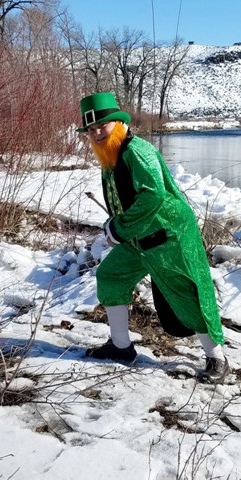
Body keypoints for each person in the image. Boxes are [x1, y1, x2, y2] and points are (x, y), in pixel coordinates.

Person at [77, 92, 229, 384]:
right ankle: (121, 348)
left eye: (102, 126)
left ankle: (217, 359)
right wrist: (117, 225)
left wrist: (119, 229)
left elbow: (153, 195)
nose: (97, 133)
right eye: (91, 129)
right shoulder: (111, 155)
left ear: (117, 123)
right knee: (111, 276)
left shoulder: (137, 150)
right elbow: (122, 199)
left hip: (169, 235)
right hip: (138, 238)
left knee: (187, 293)